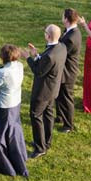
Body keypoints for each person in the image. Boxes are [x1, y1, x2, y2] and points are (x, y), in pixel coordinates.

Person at [0, 44, 28, 177]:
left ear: (3, 57)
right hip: (15, 104)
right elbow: (5, 75)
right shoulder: (19, 66)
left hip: (4, 107)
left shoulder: (3, 73)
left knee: (0, 136)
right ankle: (16, 156)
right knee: (13, 131)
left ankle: (2, 163)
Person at [20, 24, 66, 158]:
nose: (44, 34)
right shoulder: (61, 47)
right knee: (49, 114)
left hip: (42, 92)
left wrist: (28, 57)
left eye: (45, 32)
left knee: (36, 116)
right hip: (53, 89)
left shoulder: (50, 55)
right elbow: (47, 65)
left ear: (48, 36)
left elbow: (38, 71)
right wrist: (37, 56)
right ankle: (47, 141)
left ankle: (40, 148)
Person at [55, 9, 82, 131]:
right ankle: (60, 116)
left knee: (66, 98)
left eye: (62, 17)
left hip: (68, 72)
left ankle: (68, 125)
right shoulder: (70, 32)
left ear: (66, 19)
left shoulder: (71, 37)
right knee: (60, 95)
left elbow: (61, 52)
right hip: (64, 70)